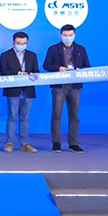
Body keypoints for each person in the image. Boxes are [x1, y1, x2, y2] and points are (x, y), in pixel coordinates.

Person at [43, 24, 91, 153]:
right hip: (59, 86)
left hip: (75, 86)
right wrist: (58, 68)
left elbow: (87, 66)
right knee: (57, 114)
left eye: (70, 35)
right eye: (65, 35)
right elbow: (46, 65)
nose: (68, 37)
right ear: (61, 35)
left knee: (74, 115)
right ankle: (56, 142)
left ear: (74, 35)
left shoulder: (81, 49)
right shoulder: (53, 49)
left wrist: (81, 70)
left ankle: (73, 143)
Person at [0, 31, 39, 153]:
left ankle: (24, 143)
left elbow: (37, 72)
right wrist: (17, 74)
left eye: (24, 43)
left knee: (25, 118)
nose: (21, 45)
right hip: (13, 90)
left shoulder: (32, 55)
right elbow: (3, 72)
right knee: (12, 117)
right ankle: (9, 143)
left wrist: (31, 74)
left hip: (28, 90)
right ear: (13, 43)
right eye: (19, 43)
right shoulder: (5, 55)